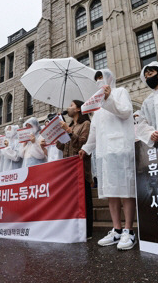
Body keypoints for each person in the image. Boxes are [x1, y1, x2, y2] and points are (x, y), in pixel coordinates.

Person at [79, 69, 136, 250]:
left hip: (121, 149)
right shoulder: (96, 106)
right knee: (112, 192)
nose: (99, 81)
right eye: (97, 79)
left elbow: (125, 112)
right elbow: (95, 131)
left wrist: (109, 98)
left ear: (110, 78)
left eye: (102, 77)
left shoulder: (120, 92)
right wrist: (86, 148)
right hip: (105, 153)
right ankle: (117, 229)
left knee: (125, 190)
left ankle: (129, 230)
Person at [56, 99, 94, 238]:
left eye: (71, 105)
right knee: (71, 201)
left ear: (78, 109)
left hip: (81, 169)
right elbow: (61, 146)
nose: (69, 108)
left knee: (84, 201)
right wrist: (59, 133)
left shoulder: (86, 124)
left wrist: (69, 131)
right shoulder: (70, 124)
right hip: (68, 170)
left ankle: (87, 232)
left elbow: (83, 143)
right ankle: (73, 230)